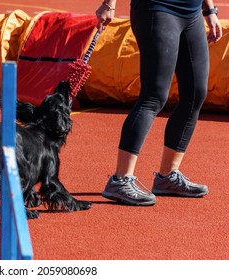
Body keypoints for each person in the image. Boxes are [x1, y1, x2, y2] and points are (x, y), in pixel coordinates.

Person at [95, 0, 223, 205]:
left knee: (195, 94)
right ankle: (120, 180)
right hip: (157, 8)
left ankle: (167, 176)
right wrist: (109, 5)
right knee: (153, 96)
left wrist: (209, 10)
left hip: (191, 13)